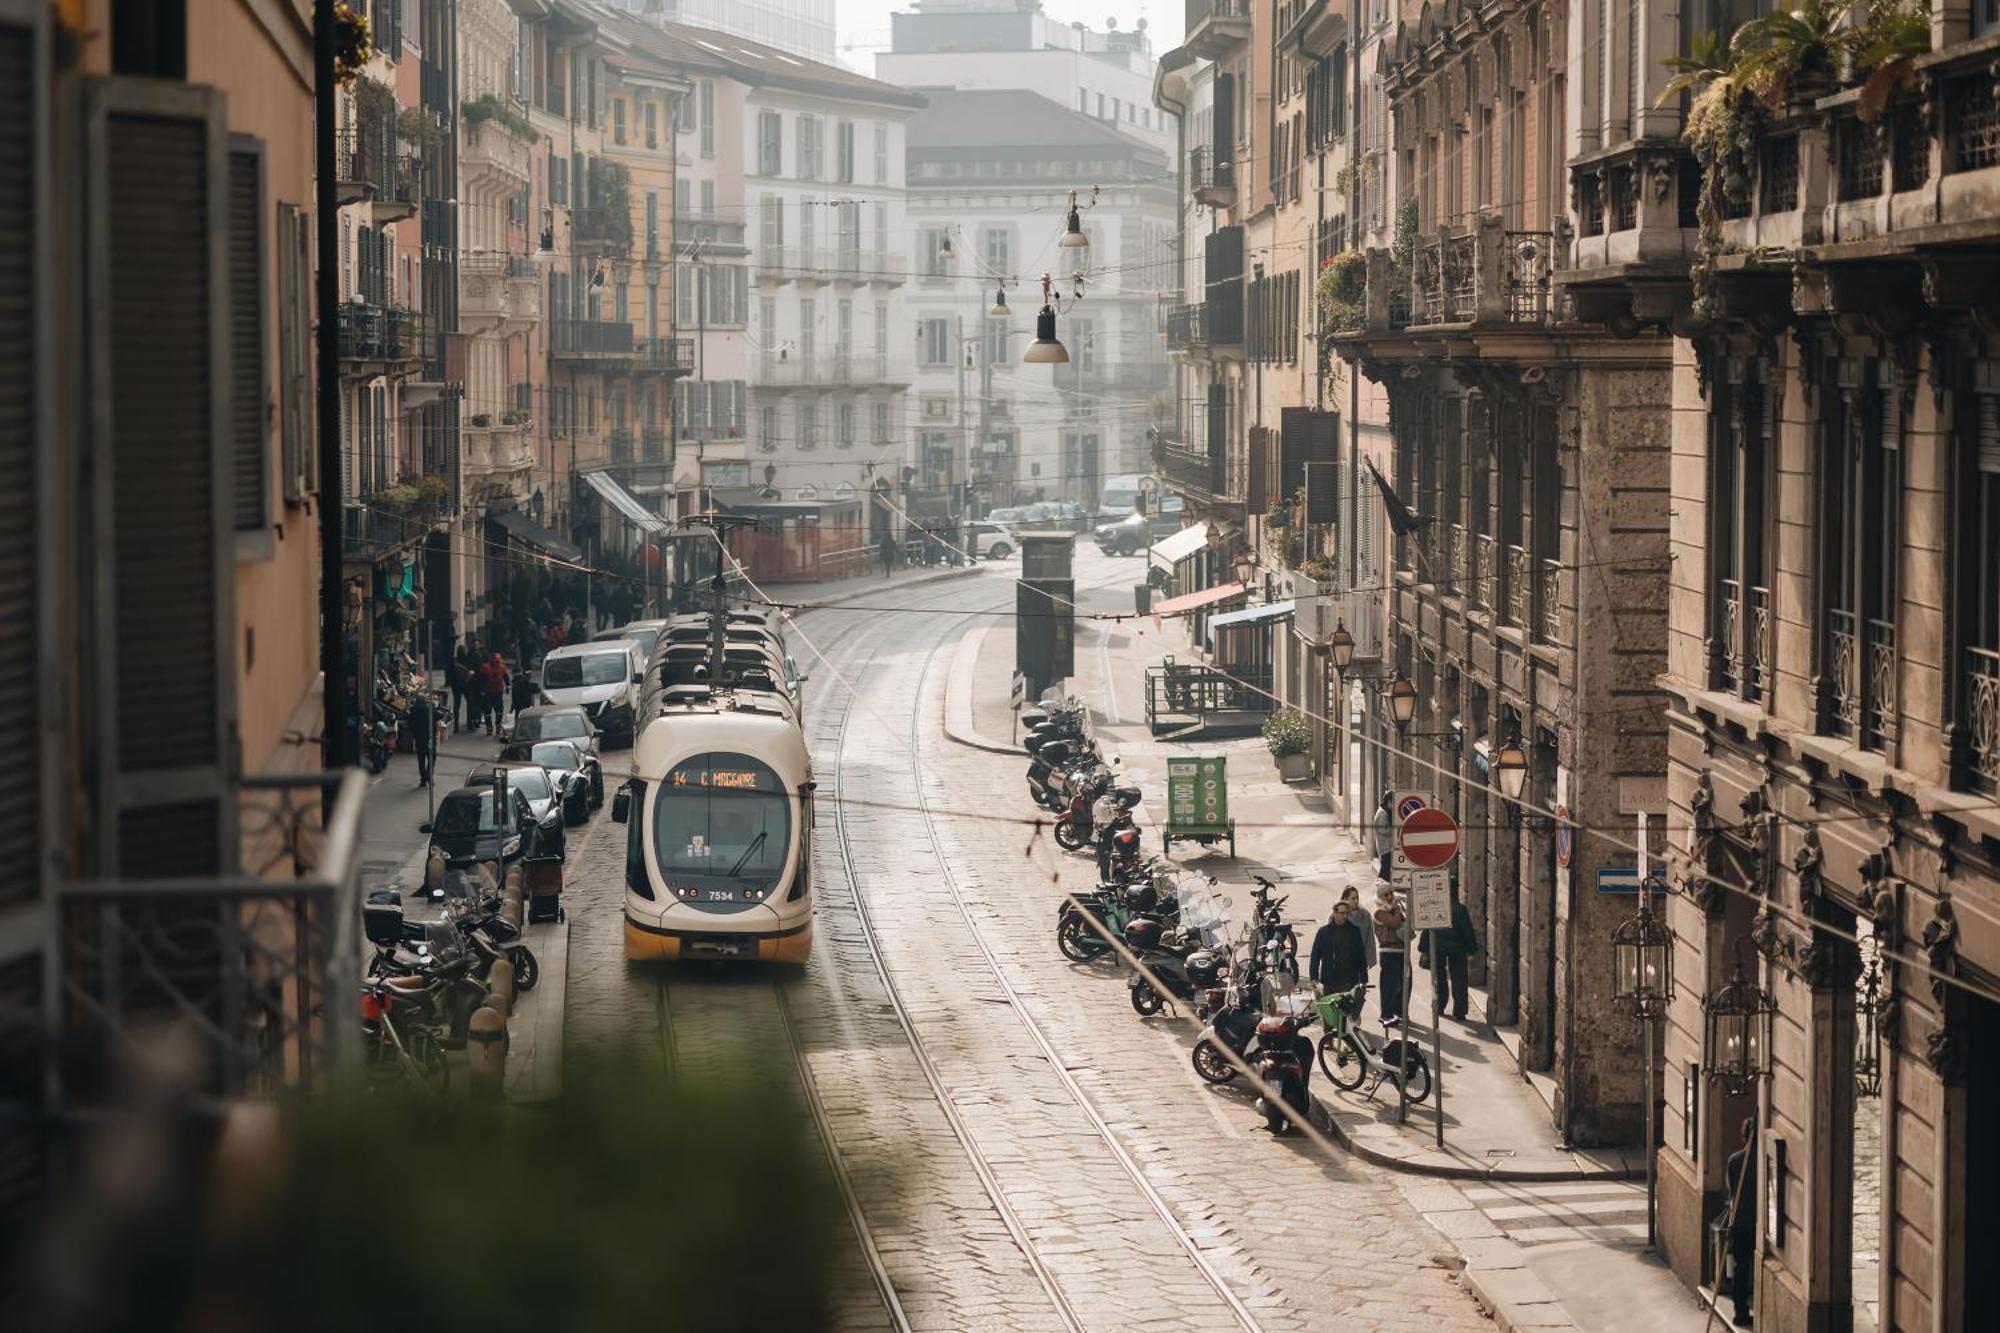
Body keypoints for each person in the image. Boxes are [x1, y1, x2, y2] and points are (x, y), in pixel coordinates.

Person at [1423, 884, 1479, 1020]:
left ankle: (1439, 1006)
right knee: (1459, 978)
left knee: (1439, 978)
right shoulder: (1460, 910)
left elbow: (1427, 928)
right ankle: (1460, 1010)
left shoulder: (1436, 907)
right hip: (1458, 949)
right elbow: (1467, 931)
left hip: (1438, 947)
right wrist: (1472, 949)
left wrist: (1423, 947)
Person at [1725, 1117, 1757, 1327]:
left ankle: (1740, 1312)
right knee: (1746, 1268)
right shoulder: (1759, 1161)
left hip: (1740, 1221)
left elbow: (1730, 1189)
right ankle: (1744, 1312)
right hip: (1754, 1221)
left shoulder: (1734, 1160)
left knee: (1741, 1268)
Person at [1309, 895, 1371, 1002]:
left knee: (1347, 1012)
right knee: (1330, 1013)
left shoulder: (1354, 931)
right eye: (1342, 913)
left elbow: (1360, 956)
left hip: (1348, 980)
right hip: (1329, 980)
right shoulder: (1324, 932)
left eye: (1347, 913)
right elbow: (1315, 955)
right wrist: (1314, 977)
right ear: (1335, 913)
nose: (1345, 916)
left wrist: (1364, 979)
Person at [1373, 882, 1409, 1025]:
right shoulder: (1380, 912)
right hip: (1388, 951)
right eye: (1385, 894)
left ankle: (1399, 1012)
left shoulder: (1395, 909)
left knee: (1404, 983)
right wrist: (1397, 910)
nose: (1389, 897)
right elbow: (1394, 923)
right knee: (1390, 984)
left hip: (1401, 950)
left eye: (1391, 894)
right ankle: (1386, 1013)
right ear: (1380, 896)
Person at [406, 689, 437, 788]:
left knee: (421, 759)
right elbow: (438, 716)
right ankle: (428, 775)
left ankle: (423, 778)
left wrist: (415, 732)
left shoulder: (413, 710)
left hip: (419, 738)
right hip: (430, 737)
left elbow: (409, 724)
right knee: (431, 757)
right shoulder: (429, 709)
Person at [478, 651, 511, 735]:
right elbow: (481, 679)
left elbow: (506, 678)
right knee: (487, 711)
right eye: (496, 661)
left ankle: (498, 725)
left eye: (498, 661)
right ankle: (489, 727)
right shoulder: (485, 668)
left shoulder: (502, 668)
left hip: (498, 692)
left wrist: (507, 686)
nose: (497, 663)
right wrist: (481, 690)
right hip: (488, 692)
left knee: (499, 711)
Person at [453, 641, 481, 732]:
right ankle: (470, 724)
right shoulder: (468, 659)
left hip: (456, 685)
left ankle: (456, 726)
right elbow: (472, 671)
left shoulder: (455, 660)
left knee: (456, 705)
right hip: (466, 685)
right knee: (470, 703)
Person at [1373, 789, 1397, 881]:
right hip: (1385, 847)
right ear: (1389, 802)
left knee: (1386, 869)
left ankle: (1382, 886)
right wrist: (1394, 829)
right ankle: (1381, 886)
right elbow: (1383, 830)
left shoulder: (1385, 811)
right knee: (1385, 870)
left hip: (1386, 846)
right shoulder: (1382, 813)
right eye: (1393, 803)